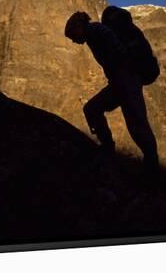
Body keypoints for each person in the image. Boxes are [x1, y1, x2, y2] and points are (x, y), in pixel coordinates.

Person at [64, 11, 159, 174]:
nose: (73, 40)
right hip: (123, 81)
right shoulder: (94, 32)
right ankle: (115, 152)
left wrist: (120, 73)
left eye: (72, 35)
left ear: (78, 27)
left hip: (125, 81)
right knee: (128, 120)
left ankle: (150, 166)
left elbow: (117, 50)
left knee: (135, 123)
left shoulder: (95, 31)